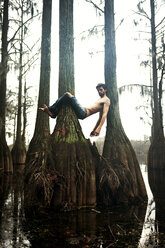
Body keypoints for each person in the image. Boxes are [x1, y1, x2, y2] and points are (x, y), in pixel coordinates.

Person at [39, 83, 110, 136]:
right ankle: (53, 114)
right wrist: (93, 130)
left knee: (67, 94)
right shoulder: (100, 100)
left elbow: (104, 115)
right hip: (82, 111)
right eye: (98, 90)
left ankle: (50, 108)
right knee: (66, 102)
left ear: (105, 90)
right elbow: (100, 117)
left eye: (101, 90)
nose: (99, 92)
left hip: (83, 113)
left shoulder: (106, 100)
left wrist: (99, 128)